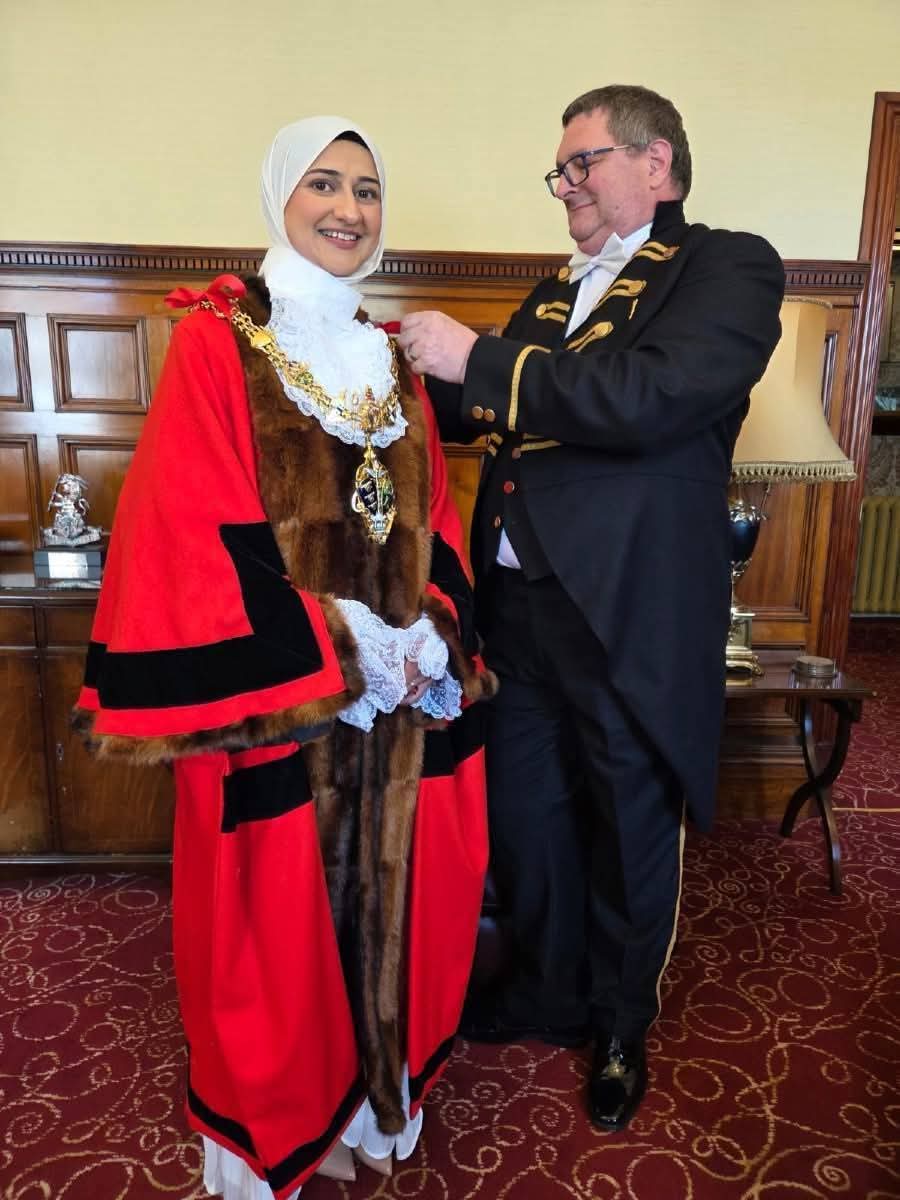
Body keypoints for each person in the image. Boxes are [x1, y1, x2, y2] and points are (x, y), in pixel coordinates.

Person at [74, 115, 495, 1199]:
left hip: (399, 709)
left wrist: (431, 631)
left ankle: (370, 1102)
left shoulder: (393, 360)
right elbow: (190, 530)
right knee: (277, 938)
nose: (350, 209)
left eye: (367, 189)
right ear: (280, 195)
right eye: (325, 183)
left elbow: (435, 519)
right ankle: (285, 1127)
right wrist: (342, 646)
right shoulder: (217, 343)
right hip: (284, 705)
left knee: (398, 911)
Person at [397, 84, 785, 1132]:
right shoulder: (553, 292)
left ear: (655, 164)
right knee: (527, 815)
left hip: (626, 608)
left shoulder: (726, 267)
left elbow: (652, 397)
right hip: (519, 606)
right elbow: (479, 403)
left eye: (583, 163)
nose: (565, 184)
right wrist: (342, 356)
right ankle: (546, 989)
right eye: (559, 170)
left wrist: (476, 357)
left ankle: (619, 1024)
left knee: (626, 824)